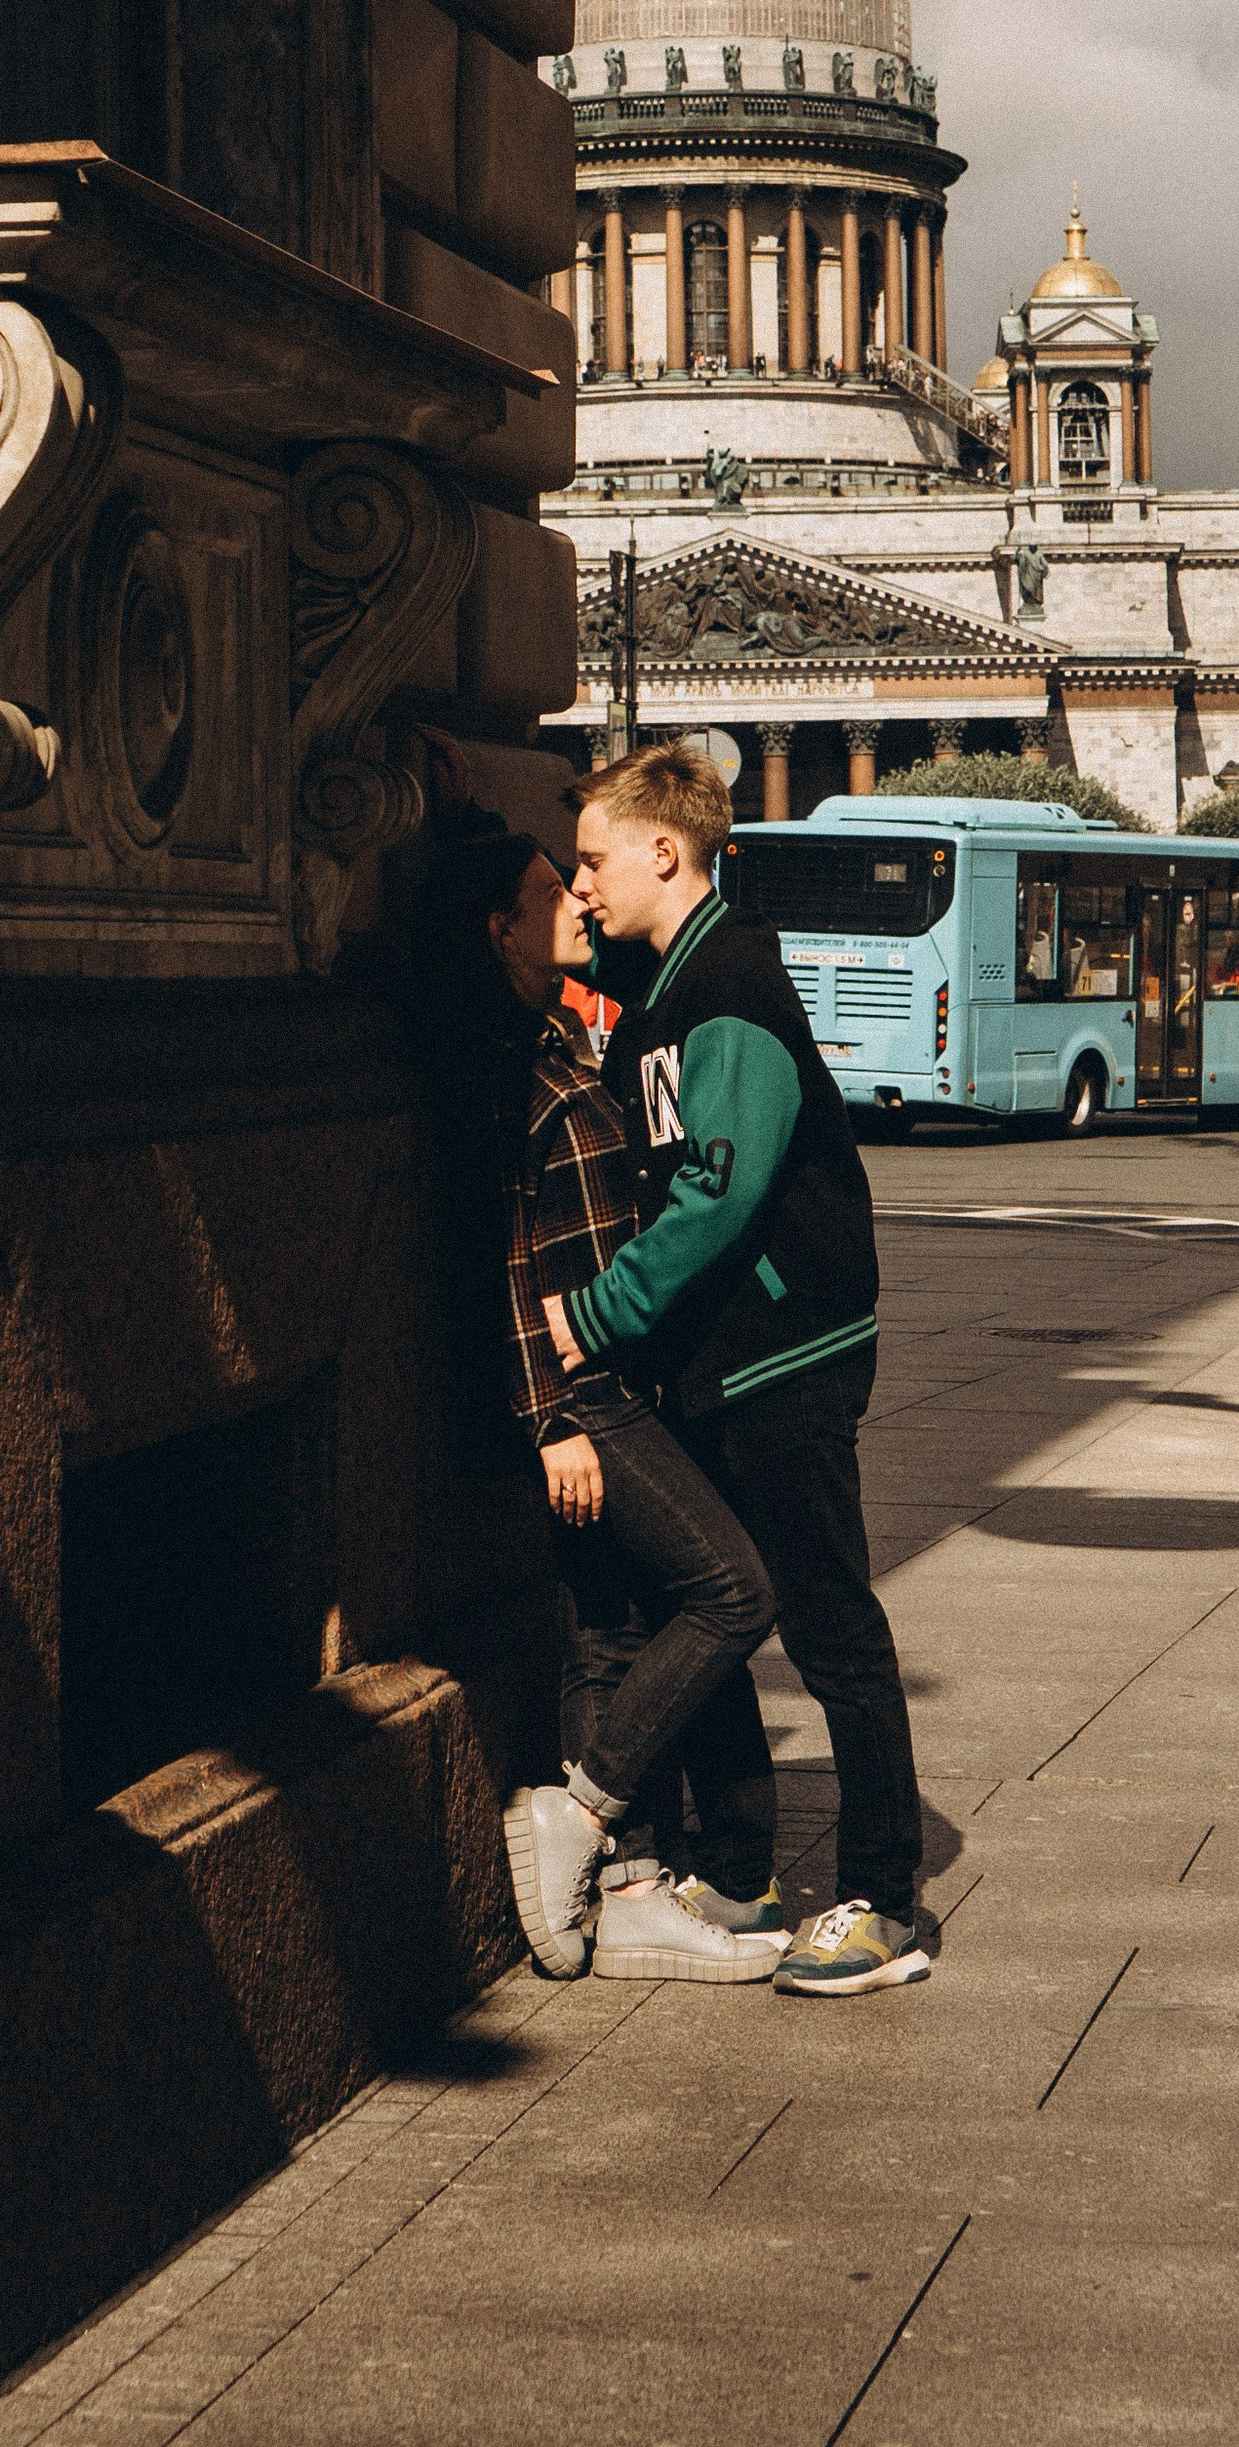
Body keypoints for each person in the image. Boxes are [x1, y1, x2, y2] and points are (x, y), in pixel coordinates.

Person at [546, 742, 932, 1998]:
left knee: (829, 1629)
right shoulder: (668, 979)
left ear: (665, 853)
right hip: (718, 1362)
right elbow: (572, 948)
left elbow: (717, 1198)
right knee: (709, 1604)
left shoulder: (729, 989)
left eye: (593, 860)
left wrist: (597, 1315)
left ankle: (885, 1903)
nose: (580, 886)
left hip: (786, 1356)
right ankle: (736, 1873)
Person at [424, 821, 785, 1989]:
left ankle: (625, 1895)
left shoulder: (555, 1029)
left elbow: (652, 932)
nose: (579, 899)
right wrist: (550, 1420)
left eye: (583, 875)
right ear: (499, 929)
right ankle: (578, 1813)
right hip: (579, 1391)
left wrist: (449, 790)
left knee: (606, 1625)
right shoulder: (499, 1064)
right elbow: (492, 1261)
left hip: (613, 1377)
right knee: (734, 1591)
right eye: (551, 889)